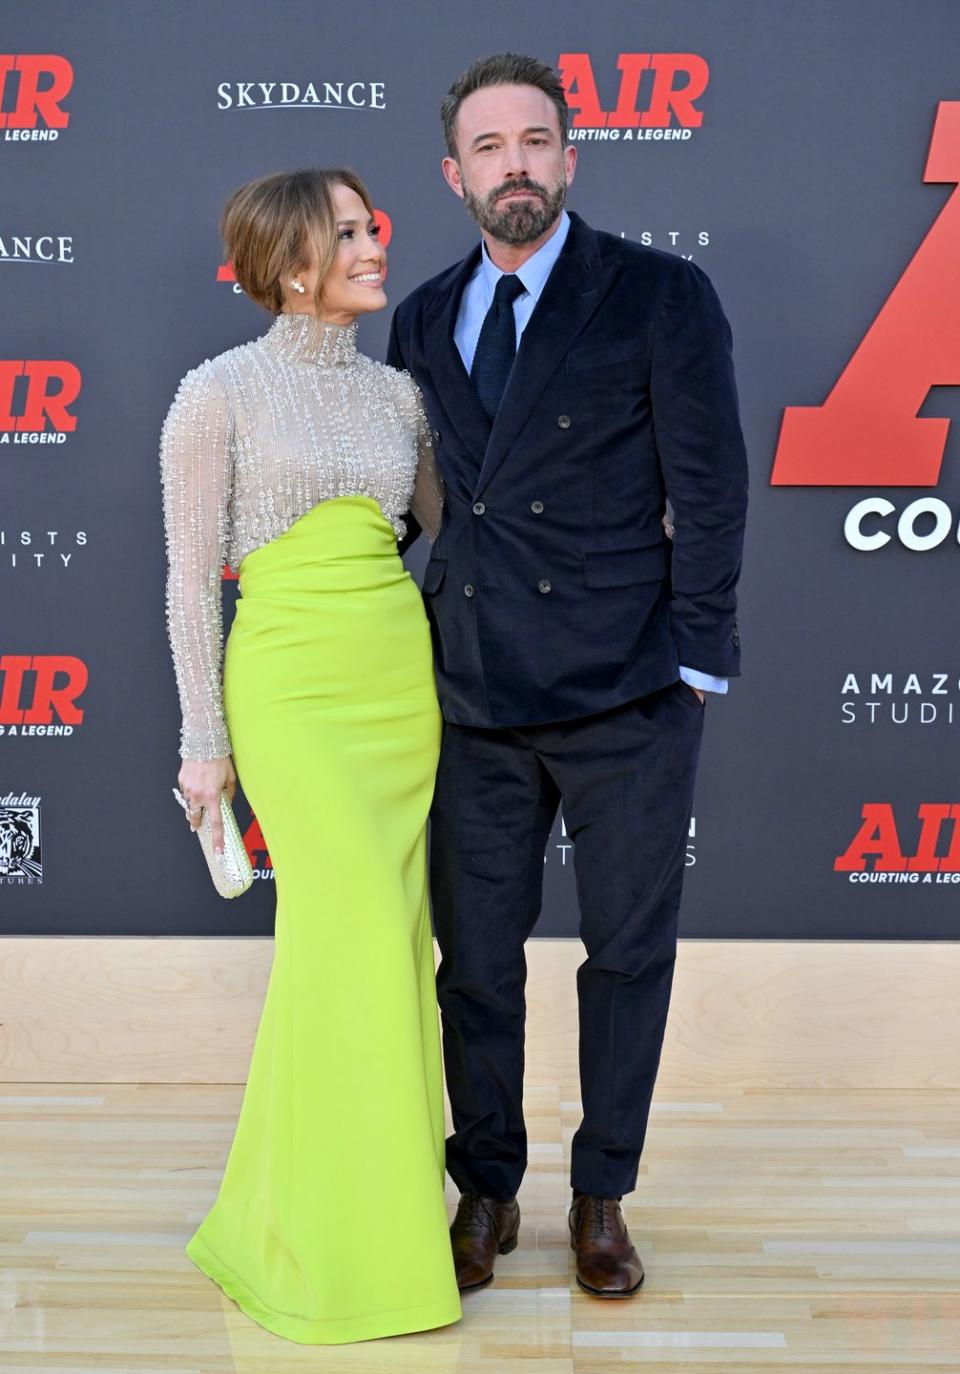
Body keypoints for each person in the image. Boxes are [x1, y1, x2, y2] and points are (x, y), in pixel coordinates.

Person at [388, 54, 748, 1298]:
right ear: (455, 175)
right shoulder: (425, 315)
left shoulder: (658, 292)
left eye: (537, 141)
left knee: (625, 956)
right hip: (473, 695)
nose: (517, 166)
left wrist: (697, 658)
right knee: (476, 962)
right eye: (489, 148)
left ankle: (604, 1195)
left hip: (628, 692)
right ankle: (488, 1188)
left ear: (571, 157)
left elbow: (709, 487)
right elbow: (423, 505)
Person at [160, 167, 461, 1343]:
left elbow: (449, 529)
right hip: (288, 682)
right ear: (292, 265)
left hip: (398, 684)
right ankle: (326, 1242)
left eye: (371, 224)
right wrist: (203, 742)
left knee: (391, 945)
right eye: (349, 232)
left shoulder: (399, 398)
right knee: (346, 943)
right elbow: (191, 578)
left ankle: (370, 1222)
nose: (375, 243)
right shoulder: (215, 395)